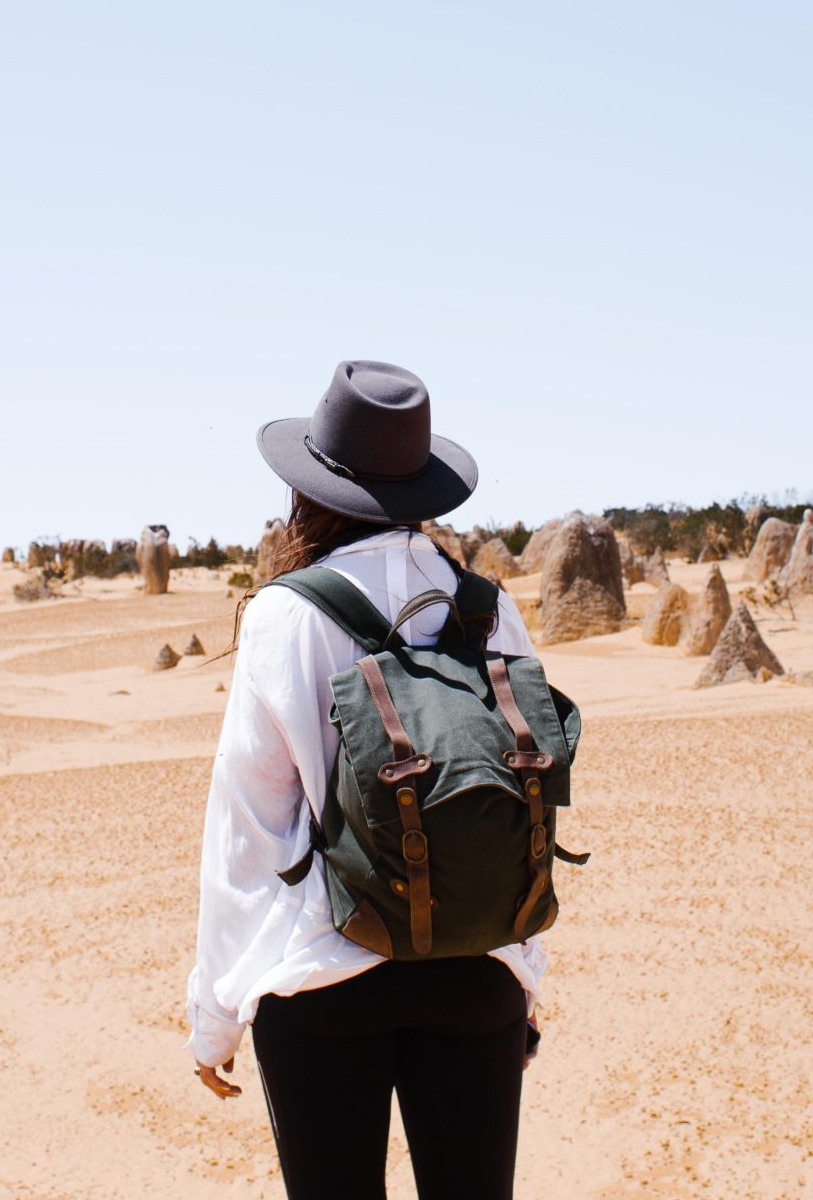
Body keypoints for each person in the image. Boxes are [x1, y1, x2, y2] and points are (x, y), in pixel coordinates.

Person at [188, 360, 545, 1200]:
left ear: (310, 488)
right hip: (478, 966)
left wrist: (215, 1018)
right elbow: (530, 794)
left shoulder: (286, 613)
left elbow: (249, 825)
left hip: (324, 974)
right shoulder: (491, 608)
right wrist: (524, 969)